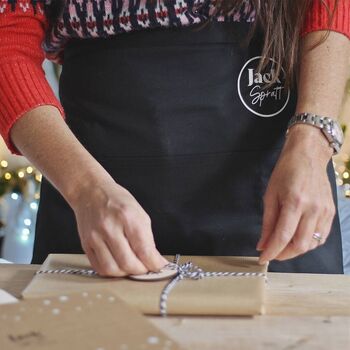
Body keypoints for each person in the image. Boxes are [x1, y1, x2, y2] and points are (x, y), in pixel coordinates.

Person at [0, 0, 349, 276]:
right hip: (95, 184)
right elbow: (7, 38)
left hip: (274, 175)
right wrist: (84, 189)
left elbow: (328, 6)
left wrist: (313, 141)